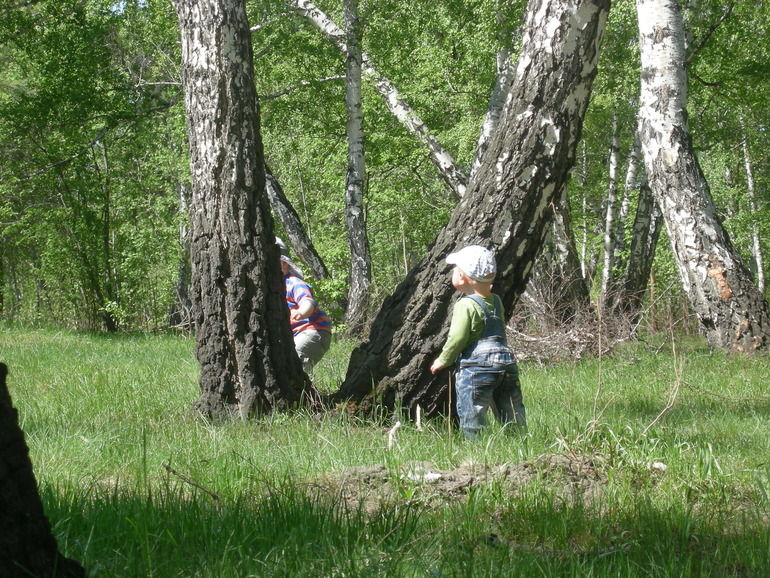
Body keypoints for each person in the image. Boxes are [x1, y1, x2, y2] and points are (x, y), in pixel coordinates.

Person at [430, 245, 526, 439]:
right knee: (512, 410)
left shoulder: (464, 304)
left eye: (455, 270)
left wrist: (443, 359)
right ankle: (520, 443)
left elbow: (457, 337)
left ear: (462, 277)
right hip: (506, 364)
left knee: (473, 412)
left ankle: (477, 448)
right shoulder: (496, 301)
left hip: (477, 367)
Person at [276, 238, 332, 373]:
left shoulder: (293, 282)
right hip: (297, 334)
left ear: (283, 264)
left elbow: (308, 301)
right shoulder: (275, 288)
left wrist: (301, 312)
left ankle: (305, 387)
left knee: (296, 358)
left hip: (314, 330)